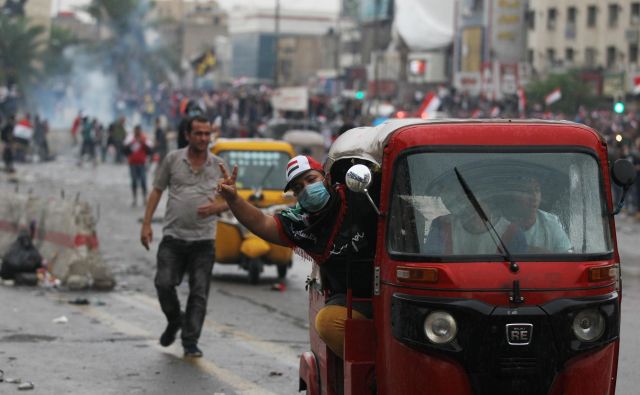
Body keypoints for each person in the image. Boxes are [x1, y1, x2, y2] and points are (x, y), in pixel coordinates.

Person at [217, 155, 378, 359]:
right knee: (327, 323)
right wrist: (233, 199)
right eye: (299, 187)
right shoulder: (300, 222)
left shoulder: (357, 194)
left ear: (326, 178)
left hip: (392, 288)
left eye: (311, 180)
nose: (307, 189)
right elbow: (262, 223)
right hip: (351, 298)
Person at [140, 115, 228, 358]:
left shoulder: (219, 165)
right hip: (173, 237)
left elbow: (232, 200)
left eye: (206, 133)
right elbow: (157, 191)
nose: (202, 138)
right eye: (198, 133)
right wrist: (146, 224)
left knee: (199, 292)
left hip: (204, 240)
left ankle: (190, 341)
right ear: (188, 135)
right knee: (164, 284)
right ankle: (174, 319)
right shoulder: (172, 159)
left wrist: (216, 208)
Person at [425, 194, 527, 255]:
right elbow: (432, 258)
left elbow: (518, 272)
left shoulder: (513, 233)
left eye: (478, 203)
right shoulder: (442, 225)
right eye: (466, 203)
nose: (471, 210)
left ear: (490, 205)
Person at [503, 176, 572, 253]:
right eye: (527, 191)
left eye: (537, 190)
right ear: (514, 195)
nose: (534, 197)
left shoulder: (550, 222)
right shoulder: (500, 224)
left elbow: (567, 257)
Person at [124, 125, 153, 207]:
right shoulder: (130, 138)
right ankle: (134, 199)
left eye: (138, 131)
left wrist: (142, 142)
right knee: (134, 181)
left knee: (143, 181)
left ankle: (144, 198)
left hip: (142, 163)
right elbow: (125, 148)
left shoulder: (144, 139)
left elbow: (150, 148)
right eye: (136, 131)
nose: (137, 132)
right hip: (132, 163)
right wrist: (131, 143)